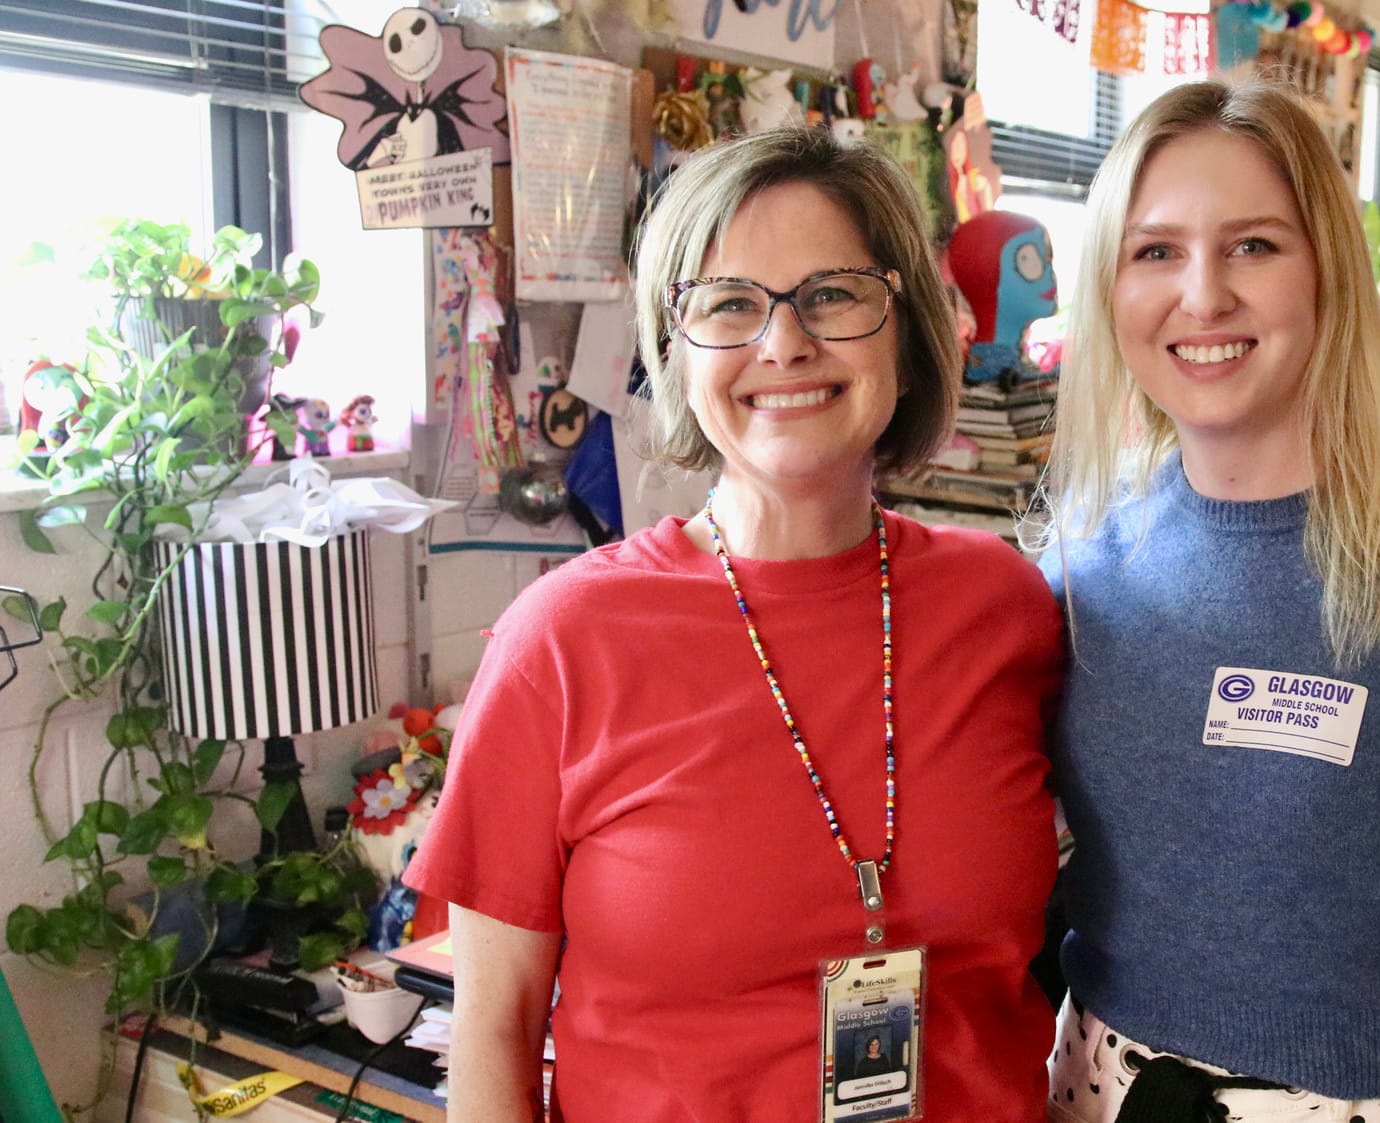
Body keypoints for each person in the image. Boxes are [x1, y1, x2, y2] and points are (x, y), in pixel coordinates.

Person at [404, 127, 1064, 1122]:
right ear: (674, 351)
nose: (783, 342)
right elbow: (494, 1029)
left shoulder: (1006, 610)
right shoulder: (565, 641)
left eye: (832, 293)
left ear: (905, 332)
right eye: (727, 304)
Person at [1038, 80, 1380, 1123]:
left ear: (1327, 270)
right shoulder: (1086, 560)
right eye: (1154, 251)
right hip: (1104, 1093)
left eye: (1252, 246)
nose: (1202, 296)